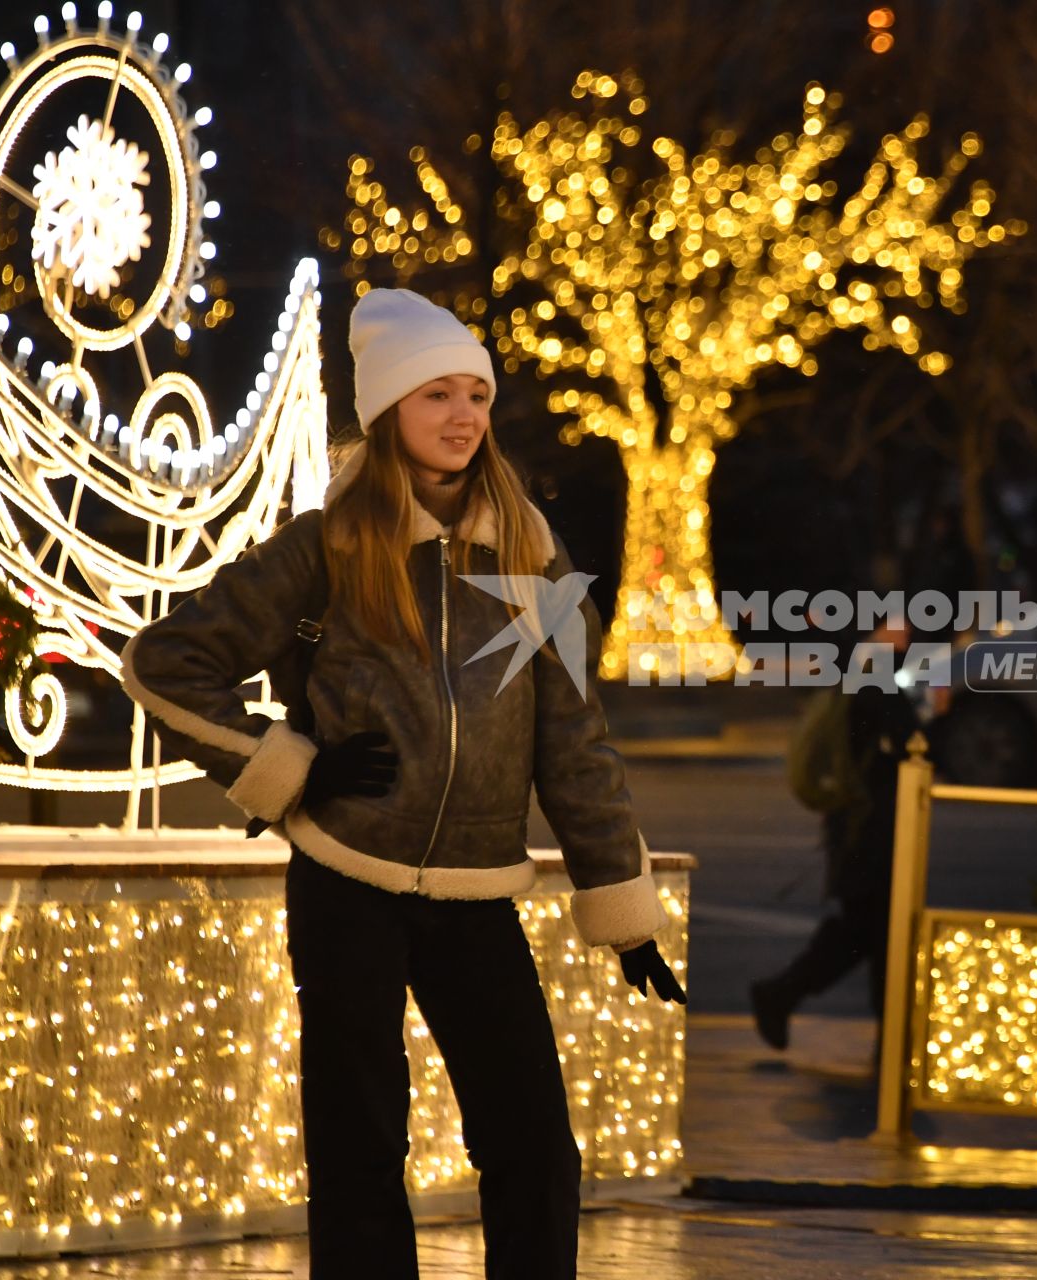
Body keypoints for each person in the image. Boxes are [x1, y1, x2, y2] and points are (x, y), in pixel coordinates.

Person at [121, 288, 685, 1280]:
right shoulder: (327, 546)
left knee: (536, 1151)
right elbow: (166, 664)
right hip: (348, 885)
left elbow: (574, 741)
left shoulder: (530, 553)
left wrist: (624, 905)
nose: (463, 414)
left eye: (475, 393)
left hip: (478, 897)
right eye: (436, 394)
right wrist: (290, 765)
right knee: (361, 1155)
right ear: (389, 413)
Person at [751, 622, 919, 1050]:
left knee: (864, 930)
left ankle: (783, 995)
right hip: (871, 832)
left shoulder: (862, 667)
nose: (908, 633)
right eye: (898, 625)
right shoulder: (874, 674)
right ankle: (891, 1042)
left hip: (860, 827)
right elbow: (913, 741)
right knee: (880, 931)